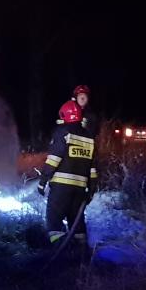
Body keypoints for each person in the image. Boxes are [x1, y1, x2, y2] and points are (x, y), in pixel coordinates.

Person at [36, 100, 99, 244]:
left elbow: (53, 159)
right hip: (80, 190)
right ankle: (81, 253)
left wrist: (43, 181)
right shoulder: (89, 138)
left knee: (54, 220)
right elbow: (92, 168)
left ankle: (59, 253)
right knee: (77, 222)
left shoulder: (63, 133)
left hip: (60, 188)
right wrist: (92, 189)